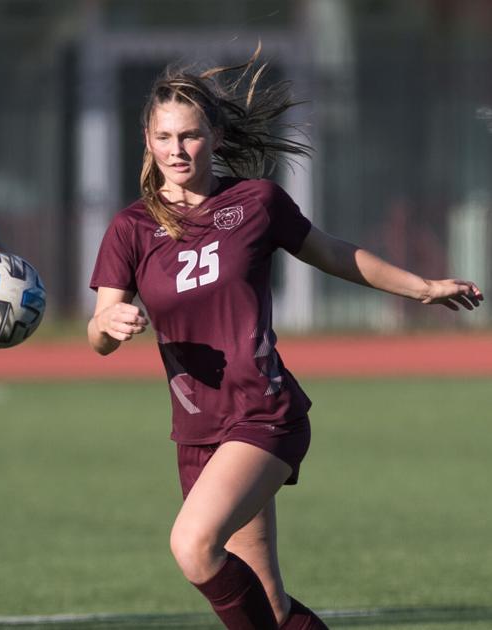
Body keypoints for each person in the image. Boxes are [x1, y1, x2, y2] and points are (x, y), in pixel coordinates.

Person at [87, 48, 483, 630]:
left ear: (215, 137)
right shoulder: (130, 227)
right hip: (196, 427)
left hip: (262, 413)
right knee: (268, 606)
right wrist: (109, 326)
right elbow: (100, 328)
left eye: (191, 136)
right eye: (165, 136)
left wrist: (421, 288)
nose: (177, 150)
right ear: (147, 140)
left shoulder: (254, 202)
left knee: (193, 546)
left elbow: (335, 253)